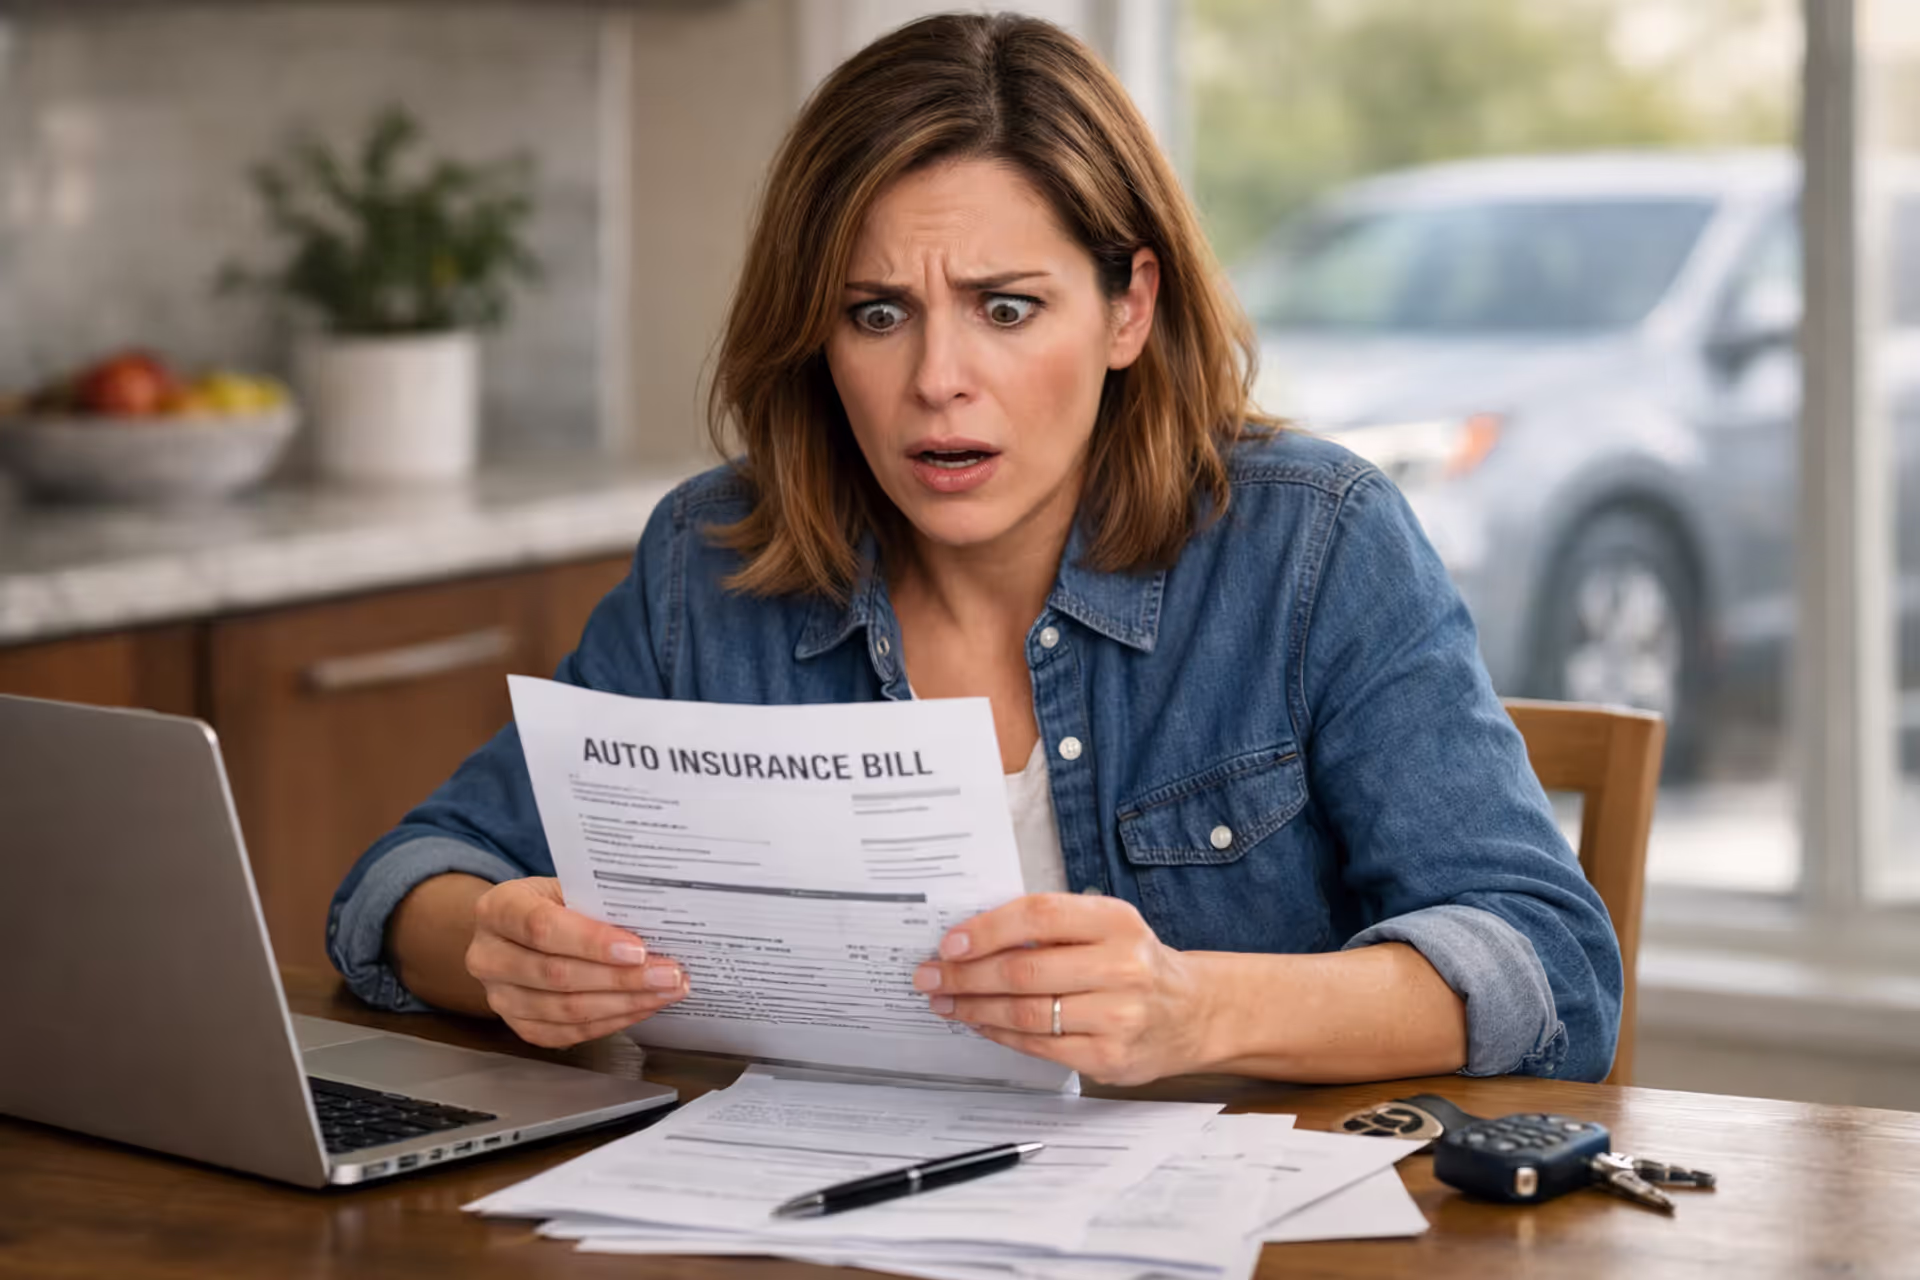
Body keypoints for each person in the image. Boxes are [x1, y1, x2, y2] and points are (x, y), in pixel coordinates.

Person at [327, 12, 1621, 1086]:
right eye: (876, 313)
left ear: (1129, 308)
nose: (937, 380)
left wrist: (1198, 1010)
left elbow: (1550, 965)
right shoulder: (712, 562)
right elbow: (404, 883)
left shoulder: (1315, 545)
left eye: (1008, 309)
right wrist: (498, 943)